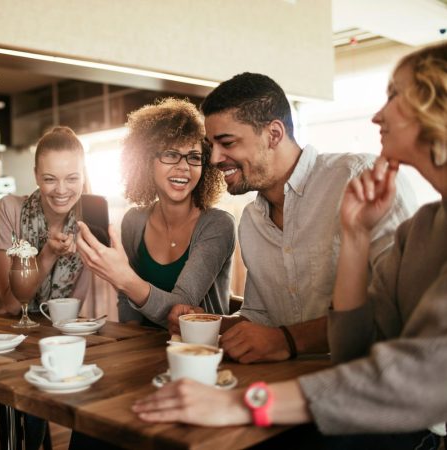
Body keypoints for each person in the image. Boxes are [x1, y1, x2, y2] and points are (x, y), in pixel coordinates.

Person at [133, 42, 447, 450]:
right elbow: (358, 342)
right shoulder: (422, 227)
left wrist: (247, 403)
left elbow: (422, 373)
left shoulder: (357, 176)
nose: (377, 114)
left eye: (393, 96)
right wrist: (353, 239)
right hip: (330, 391)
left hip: (392, 418)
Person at [167, 72, 416, 363]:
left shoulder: (359, 179)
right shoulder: (251, 221)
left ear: (274, 134)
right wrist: (206, 322)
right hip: (290, 384)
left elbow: (400, 305)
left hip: (374, 384)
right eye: (212, 146)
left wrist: (287, 339)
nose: (215, 159)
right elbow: (260, 318)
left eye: (228, 143)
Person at [0, 126, 93, 450]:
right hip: (1, 333)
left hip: (50, 336)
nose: (61, 190)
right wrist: (49, 254)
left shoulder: (89, 222)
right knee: (19, 391)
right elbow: (13, 304)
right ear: (36, 176)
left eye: (72, 178)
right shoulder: (10, 209)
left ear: (84, 176)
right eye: (50, 178)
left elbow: (75, 306)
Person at [76, 97, 235, 328]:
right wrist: (132, 338)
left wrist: (124, 278)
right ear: (146, 161)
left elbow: (182, 307)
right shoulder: (134, 220)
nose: (183, 166)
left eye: (193, 157)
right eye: (170, 154)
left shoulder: (218, 225)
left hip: (199, 350)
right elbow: (126, 300)